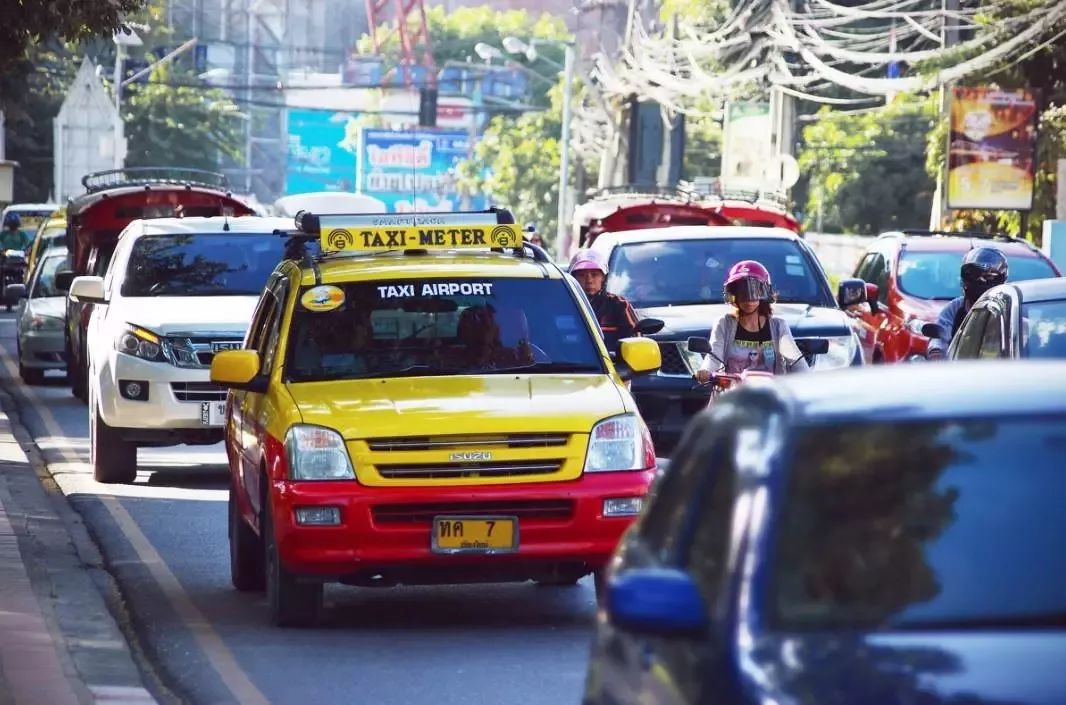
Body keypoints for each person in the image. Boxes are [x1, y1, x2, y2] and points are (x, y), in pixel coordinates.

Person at [695, 260, 808, 382]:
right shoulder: (724, 324)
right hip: (732, 395)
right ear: (733, 295)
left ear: (765, 293)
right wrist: (705, 371)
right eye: (742, 293)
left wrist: (808, 376)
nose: (749, 299)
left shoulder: (778, 326)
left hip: (772, 396)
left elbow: (795, 359)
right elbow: (714, 357)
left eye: (754, 292)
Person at [926, 247, 1008, 359]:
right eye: (973, 275)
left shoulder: (1009, 309)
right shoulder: (954, 309)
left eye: (988, 277)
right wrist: (936, 352)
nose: (980, 281)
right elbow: (940, 334)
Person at [568, 249, 640, 352]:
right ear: (573, 278)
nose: (589, 281)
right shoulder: (563, 305)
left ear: (603, 278)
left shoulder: (619, 304)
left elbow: (635, 341)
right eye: (582, 275)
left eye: (594, 275)